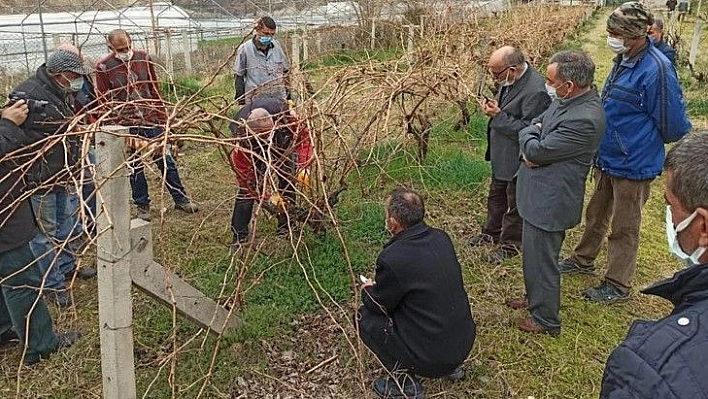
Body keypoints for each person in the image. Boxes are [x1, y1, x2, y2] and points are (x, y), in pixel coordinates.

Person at [559, 2, 691, 304]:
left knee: (624, 225)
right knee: (596, 213)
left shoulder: (656, 70)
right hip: (609, 156)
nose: (610, 37)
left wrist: (634, 141)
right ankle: (583, 259)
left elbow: (673, 125)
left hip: (634, 162)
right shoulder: (624, 59)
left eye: (615, 32)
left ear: (634, 35)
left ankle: (618, 283)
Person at [600, 131, 708, 398]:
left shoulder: (650, 371)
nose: (669, 219)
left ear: (703, 226)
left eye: (670, 205)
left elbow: (672, 122)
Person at [506, 51, 605, 336]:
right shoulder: (567, 100)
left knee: (543, 261)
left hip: (549, 202)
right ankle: (534, 298)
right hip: (537, 195)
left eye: (550, 80)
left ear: (569, 84)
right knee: (533, 257)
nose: (547, 86)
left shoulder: (585, 118)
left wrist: (531, 139)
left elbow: (536, 150)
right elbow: (535, 123)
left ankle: (546, 319)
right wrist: (533, 133)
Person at [357, 188, 476, 398]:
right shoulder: (442, 238)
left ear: (393, 223)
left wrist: (368, 290)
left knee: (364, 318)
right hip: (463, 344)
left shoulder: (393, 258)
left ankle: (405, 384)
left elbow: (380, 305)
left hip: (432, 357)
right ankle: (452, 367)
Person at [12, 50, 95, 307]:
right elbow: (17, 139)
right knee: (45, 234)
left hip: (63, 171)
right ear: (59, 75)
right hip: (40, 178)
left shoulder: (62, 91)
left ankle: (68, 266)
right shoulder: (26, 96)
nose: (77, 82)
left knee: (68, 224)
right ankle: (52, 284)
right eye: (73, 77)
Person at [0, 100, 80, 365]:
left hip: (8, 213)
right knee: (22, 281)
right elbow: (6, 153)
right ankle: (40, 345)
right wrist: (9, 124)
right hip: (6, 222)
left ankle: (6, 329)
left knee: (7, 279)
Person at [95, 29, 198, 221]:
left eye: (127, 47)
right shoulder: (103, 67)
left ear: (131, 42)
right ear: (111, 47)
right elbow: (103, 101)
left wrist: (162, 117)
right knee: (134, 166)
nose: (125, 51)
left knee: (165, 159)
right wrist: (113, 127)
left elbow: (154, 88)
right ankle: (142, 206)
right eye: (120, 49)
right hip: (125, 124)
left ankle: (180, 198)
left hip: (150, 119)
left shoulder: (143, 58)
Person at [469, 46, 551, 263]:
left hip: (518, 157)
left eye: (496, 73)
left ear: (512, 70)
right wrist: (497, 108)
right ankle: (491, 233)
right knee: (496, 196)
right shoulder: (511, 80)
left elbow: (529, 129)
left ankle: (510, 244)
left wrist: (498, 116)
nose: (494, 78)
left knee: (515, 202)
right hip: (502, 153)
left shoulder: (536, 91)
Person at [228, 98, 312, 251]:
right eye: (263, 136)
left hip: (281, 141)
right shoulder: (241, 139)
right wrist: (268, 198)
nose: (267, 139)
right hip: (252, 149)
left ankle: (286, 225)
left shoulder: (285, 117)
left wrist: (304, 166)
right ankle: (239, 235)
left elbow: (305, 136)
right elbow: (246, 180)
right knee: (246, 192)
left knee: (288, 177)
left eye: (269, 133)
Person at [233, 16, 290, 104]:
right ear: (257, 31)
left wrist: (288, 97)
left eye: (272, 34)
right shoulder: (245, 49)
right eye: (266, 33)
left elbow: (285, 72)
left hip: (278, 98)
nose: (269, 37)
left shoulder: (277, 46)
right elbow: (238, 76)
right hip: (256, 101)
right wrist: (241, 102)